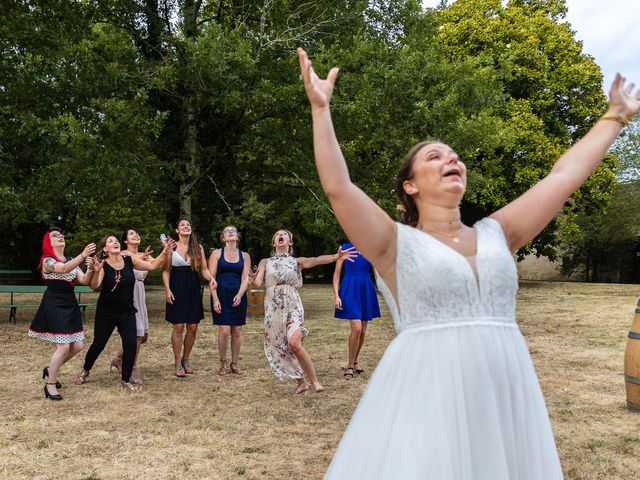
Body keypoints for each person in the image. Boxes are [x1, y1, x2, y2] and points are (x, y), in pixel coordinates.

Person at [298, 48, 639, 478]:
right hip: (429, 393)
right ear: (411, 185)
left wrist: (615, 117)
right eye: (435, 157)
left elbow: (562, 177)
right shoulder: (392, 243)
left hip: (505, 389)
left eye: (454, 155)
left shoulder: (499, 232)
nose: (451, 160)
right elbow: (338, 187)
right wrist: (320, 108)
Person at [250, 229, 355, 395]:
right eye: (277, 234)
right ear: (274, 241)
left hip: (292, 305)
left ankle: (315, 382)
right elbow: (257, 283)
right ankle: (302, 383)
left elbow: (316, 260)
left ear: (290, 242)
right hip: (273, 307)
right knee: (282, 345)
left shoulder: (296, 261)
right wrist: (251, 278)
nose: (280, 236)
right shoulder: (265, 262)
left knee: (294, 343)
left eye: (284, 234)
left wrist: (335, 257)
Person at [74, 234, 174, 391]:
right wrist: (94, 271)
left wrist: (166, 251)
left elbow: (153, 266)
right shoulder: (103, 265)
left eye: (116, 240)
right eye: (111, 241)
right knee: (98, 344)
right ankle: (85, 371)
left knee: (131, 343)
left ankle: (125, 379)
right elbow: (94, 285)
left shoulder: (130, 260)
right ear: (105, 249)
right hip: (107, 312)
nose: (115, 243)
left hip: (127, 311)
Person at [28, 228, 96, 401]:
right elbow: (64, 269)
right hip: (54, 304)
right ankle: (50, 385)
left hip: (70, 303)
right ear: (48, 242)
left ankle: (51, 369)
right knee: (64, 346)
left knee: (78, 346)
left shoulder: (71, 259)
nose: (60, 237)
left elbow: (84, 281)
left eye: (61, 235)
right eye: (54, 236)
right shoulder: (47, 261)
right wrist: (83, 255)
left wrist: (91, 268)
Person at [163, 219, 216, 377]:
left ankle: (186, 359)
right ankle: (177, 361)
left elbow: (204, 270)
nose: (186, 227)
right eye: (182, 225)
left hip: (193, 286)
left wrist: (211, 278)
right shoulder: (171, 247)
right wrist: (167, 290)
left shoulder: (197, 247)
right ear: (177, 230)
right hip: (176, 286)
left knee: (192, 327)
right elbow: (165, 271)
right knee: (178, 326)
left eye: (188, 225)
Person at [109, 228, 153, 384]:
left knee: (143, 337)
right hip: (127, 294)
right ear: (126, 241)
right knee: (137, 336)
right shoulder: (122, 254)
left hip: (140, 293)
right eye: (131, 234)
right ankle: (132, 369)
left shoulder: (145, 255)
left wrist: (167, 250)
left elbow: (160, 264)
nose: (136, 235)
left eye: (137, 233)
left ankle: (117, 358)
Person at [332, 241, 380, 378]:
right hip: (350, 288)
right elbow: (336, 274)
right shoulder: (344, 248)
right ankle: (349, 366)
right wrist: (336, 296)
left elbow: (378, 273)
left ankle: (355, 361)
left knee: (363, 330)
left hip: (365, 290)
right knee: (357, 328)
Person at [208, 225, 251, 376]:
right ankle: (222, 363)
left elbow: (245, 278)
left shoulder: (244, 255)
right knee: (224, 331)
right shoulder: (216, 253)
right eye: (227, 231)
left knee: (237, 331)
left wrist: (240, 294)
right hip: (221, 295)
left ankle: (235, 363)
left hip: (238, 296)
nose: (231, 232)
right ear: (223, 237)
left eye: (233, 230)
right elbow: (211, 279)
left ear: (237, 236)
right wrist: (215, 299)